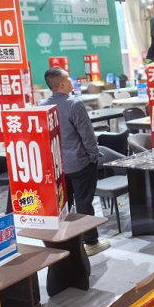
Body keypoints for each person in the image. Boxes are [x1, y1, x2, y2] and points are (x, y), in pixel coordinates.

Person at [40, 68, 110, 256]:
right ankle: (91, 242)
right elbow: (87, 135)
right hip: (79, 163)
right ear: (62, 84)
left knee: (62, 204)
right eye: (69, 78)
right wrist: (93, 156)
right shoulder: (74, 104)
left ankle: (64, 242)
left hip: (56, 165)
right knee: (84, 202)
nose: (72, 81)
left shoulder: (42, 106)